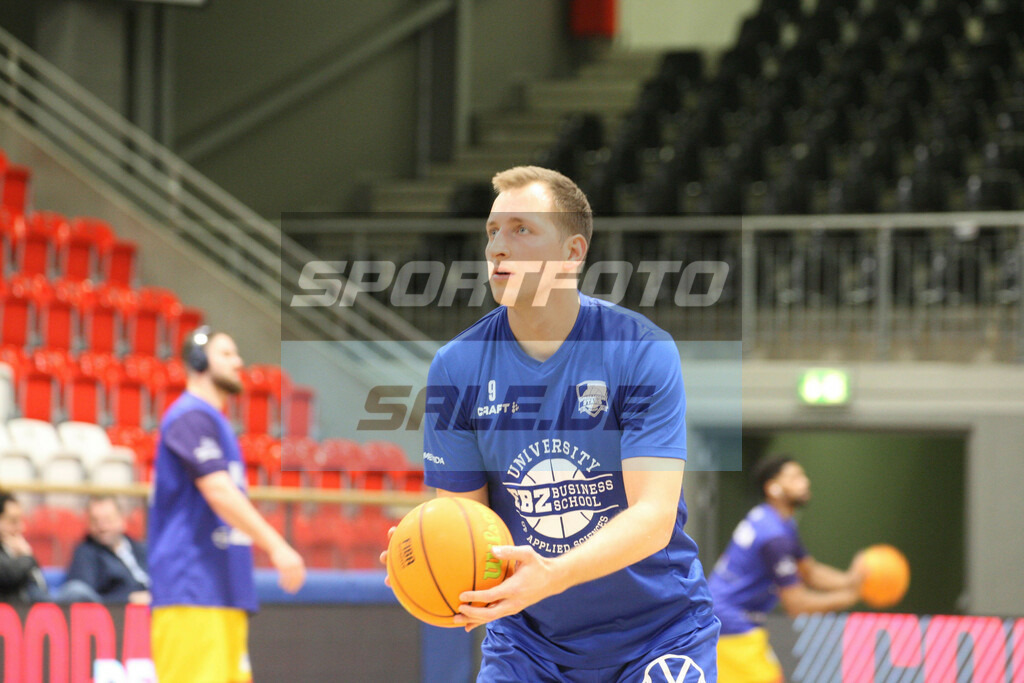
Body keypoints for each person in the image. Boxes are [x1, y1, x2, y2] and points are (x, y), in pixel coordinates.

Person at [412, 166, 719, 681]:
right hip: (529, 645)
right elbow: (469, 529)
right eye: (492, 232)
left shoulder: (640, 350)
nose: (497, 248)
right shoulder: (455, 367)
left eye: (521, 229)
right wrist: (429, 558)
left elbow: (653, 518)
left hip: (658, 632)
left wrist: (552, 574)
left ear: (573, 252)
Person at [148, 326, 306, 683]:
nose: (239, 362)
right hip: (192, 588)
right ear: (199, 361)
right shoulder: (190, 416)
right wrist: (277, 545)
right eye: (227, 354)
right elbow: (218, 491)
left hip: (222, 590)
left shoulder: (214, 422)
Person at [709, 455, 865, 683]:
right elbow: (796, 604)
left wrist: (853, 578)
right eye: (794, 477)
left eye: (802, 475)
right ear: (773, 488)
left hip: (726, 618)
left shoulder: (776, 521)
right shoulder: (774, 537)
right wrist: (850, 595)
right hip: (731, 622)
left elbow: (809, 572)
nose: (805, 482)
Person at [62, 496, 150, 604]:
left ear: (122, 520)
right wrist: (129, 598)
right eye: (95, 521)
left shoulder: (142, 549)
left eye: (108, 520)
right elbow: (84, 596)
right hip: (120, 614)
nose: (102, 527)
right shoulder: (85, 553)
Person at [0, 491, 48, 603]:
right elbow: (8, 574)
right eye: (13, 521)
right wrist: (27, 556)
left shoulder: (13, 550)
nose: (21, 528)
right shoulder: (20, 554)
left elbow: (41, 587)